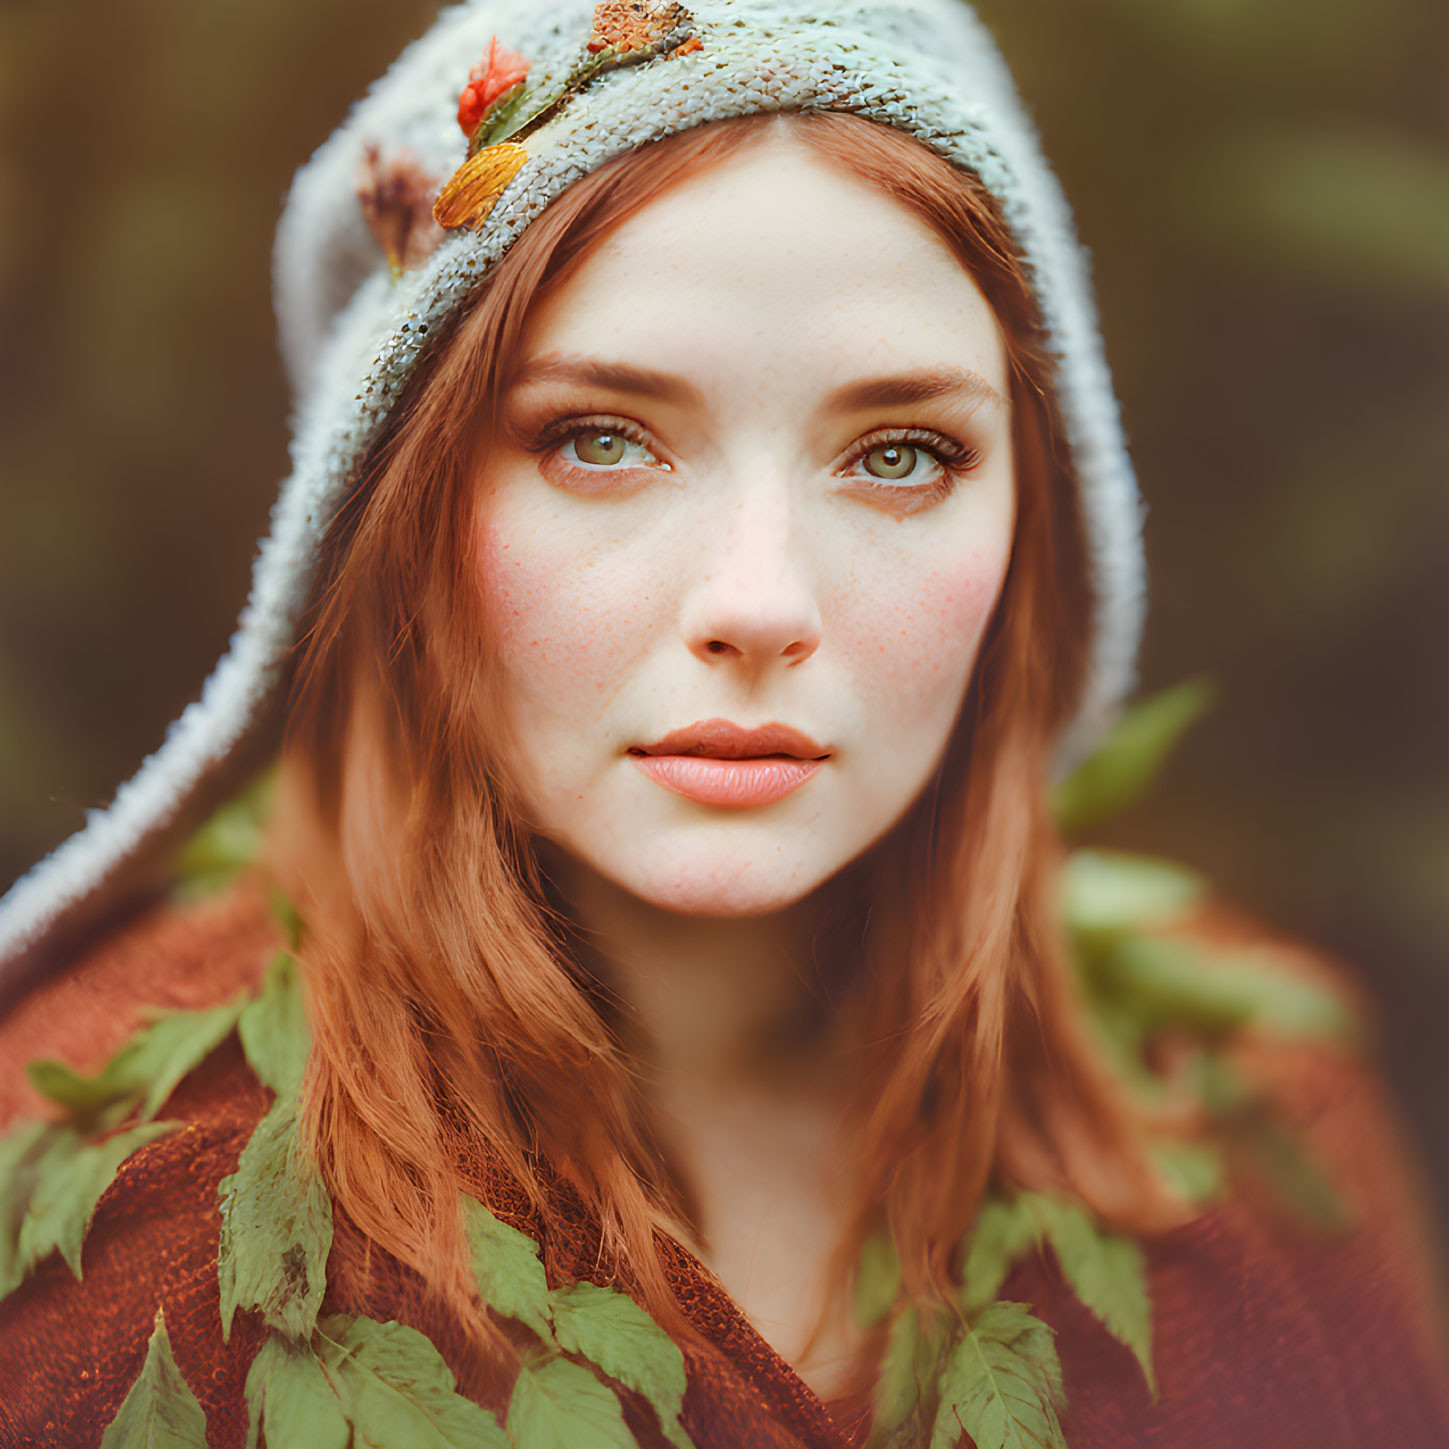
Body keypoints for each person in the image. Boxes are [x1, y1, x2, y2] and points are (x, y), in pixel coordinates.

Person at [0, 2, 1445, 1445]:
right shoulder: (129, 1241)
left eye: (898, 453)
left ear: (1038, 529)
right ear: (393, 514)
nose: (757, 604)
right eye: (598, 439)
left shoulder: (1249, 1128)